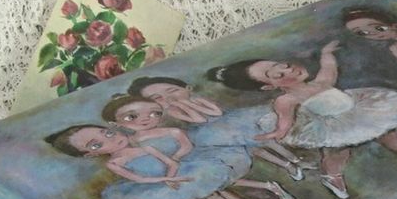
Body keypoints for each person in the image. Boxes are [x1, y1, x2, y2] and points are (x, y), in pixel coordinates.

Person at [207, 40, 397, 199]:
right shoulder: (286, 99)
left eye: (285, 65)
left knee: (388, 134)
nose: (290, 70)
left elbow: (329, 69)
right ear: (268, 87)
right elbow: (285, 122)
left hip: (360, 110)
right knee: (338, 151)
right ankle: (331, 175)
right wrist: (275, 134)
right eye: (279, 75)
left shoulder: (320, 83)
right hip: (333, 125)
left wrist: (326, 53)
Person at [45, 125, 284, 199]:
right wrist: (164, 181)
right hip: (161, 182)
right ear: (90, 155)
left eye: (106, 132)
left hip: (181, 171)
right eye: (97, 145)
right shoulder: (114, 163)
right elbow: (138, 179)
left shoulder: (143, 146)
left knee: (210, 192)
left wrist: (173, 174)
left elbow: (169, 160)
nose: (111, 139)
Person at [101, 94, 295, 199]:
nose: (145, 119)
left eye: (154, 113)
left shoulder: (171, 130)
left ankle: (274, 181)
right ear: (116, 123)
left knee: (219, 179)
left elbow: (186, 145)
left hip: (194, 156)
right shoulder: (131, 140)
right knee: (215, 185)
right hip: (172, 166)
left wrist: (176, 159)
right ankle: (268, 187)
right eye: (131, 117)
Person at [127, 77, 315, 181]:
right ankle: (286, 165)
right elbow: (198, 121)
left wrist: (190, 105)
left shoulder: (197, 99)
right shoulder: (172, 111)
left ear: (187, 88)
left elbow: (215, 113)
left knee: (264, 139)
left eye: (172, 91)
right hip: (211, 134)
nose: (169, 99)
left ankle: (295, 160)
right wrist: (182, 107)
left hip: (232, 122)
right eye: (157, 98)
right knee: (253, 150)